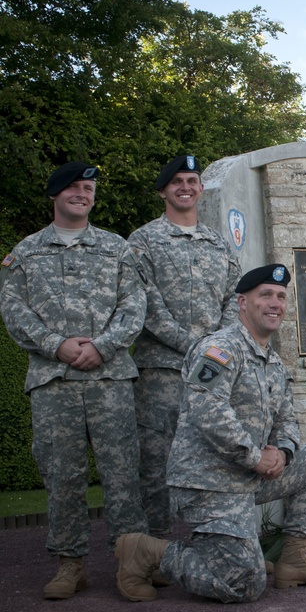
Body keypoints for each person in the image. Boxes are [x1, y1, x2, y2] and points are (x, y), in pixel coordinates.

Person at [115, 264, 306, 604]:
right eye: (265, 295)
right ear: (243, 302)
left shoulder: (273, 362)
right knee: (243, 584)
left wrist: (283, 454)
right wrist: (255, 457)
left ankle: (296, 560)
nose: (275, 303)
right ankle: (146, 550)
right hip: (209, 481)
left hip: (249, 475)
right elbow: (208, 411)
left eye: (281, 297)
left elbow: (287, 419)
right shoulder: (219, 349)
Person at [0, 161, 148, 599]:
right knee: (62, 476)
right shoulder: (25, 252)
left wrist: (102, 346)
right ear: (55, 195)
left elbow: (134, 305)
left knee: (123, 474)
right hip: (53, 380)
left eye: (89, 188)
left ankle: (131, 566)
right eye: (73, 188)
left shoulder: (117, 248)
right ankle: (70, 565)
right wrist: (55, 344)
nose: (83, 194)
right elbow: (13, 309)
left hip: (111, 377)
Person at [127, 155, 241, 535]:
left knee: (212, 456)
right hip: (162, 372)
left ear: (200, 188)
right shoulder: (142, 241)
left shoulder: (218, 244)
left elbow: (233, 297)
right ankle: (154, 548)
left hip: (210, 373)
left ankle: (209, 539)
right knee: (157, 462)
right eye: (177, 181)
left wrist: (216, 344)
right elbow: (145, 303)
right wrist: (195, 345)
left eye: (192, 180)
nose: (186, 187)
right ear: (163, 190)